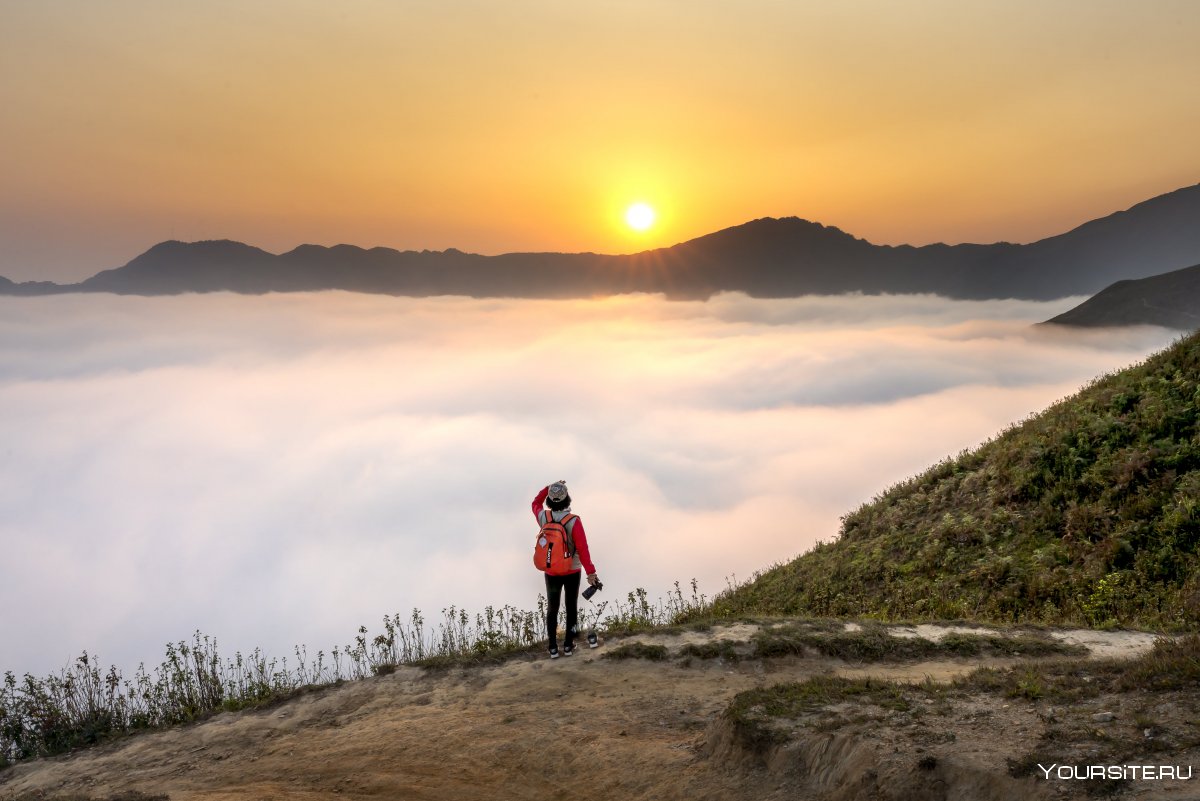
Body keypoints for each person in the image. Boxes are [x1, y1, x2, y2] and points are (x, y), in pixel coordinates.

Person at [532, 480, 600, 658]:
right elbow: (583, 549)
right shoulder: (574, 521)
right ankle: (568, 646)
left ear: (550, 500)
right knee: (571, 607)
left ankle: (553, 648)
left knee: (552, 609)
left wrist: (548, 488)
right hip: (571, 571)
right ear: (567, 498)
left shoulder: (544, 517)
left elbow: (535, 503)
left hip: (551, 571)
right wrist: (591, 573)